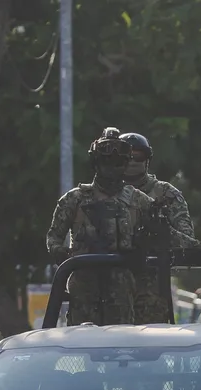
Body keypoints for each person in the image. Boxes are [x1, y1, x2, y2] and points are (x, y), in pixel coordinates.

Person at [46, 127, 156, 326]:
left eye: (117, 162)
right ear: (96, 163)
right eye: (106, 161)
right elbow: (53, 237)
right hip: (83, 289)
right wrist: (65, 255)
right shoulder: (75, 199)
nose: (111, 167)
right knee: (83, 345)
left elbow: (166, 234)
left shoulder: (139, 201)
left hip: (122, 291)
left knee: (122, 345)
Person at [119, 131, 199, 324]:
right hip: (109, 286)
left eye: (138, 156)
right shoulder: (103, 194)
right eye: (127, 156)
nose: (132, 161)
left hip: (152, 286)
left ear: (147, 159)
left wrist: (157, 235)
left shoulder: (165, 193)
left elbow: (185, 237)